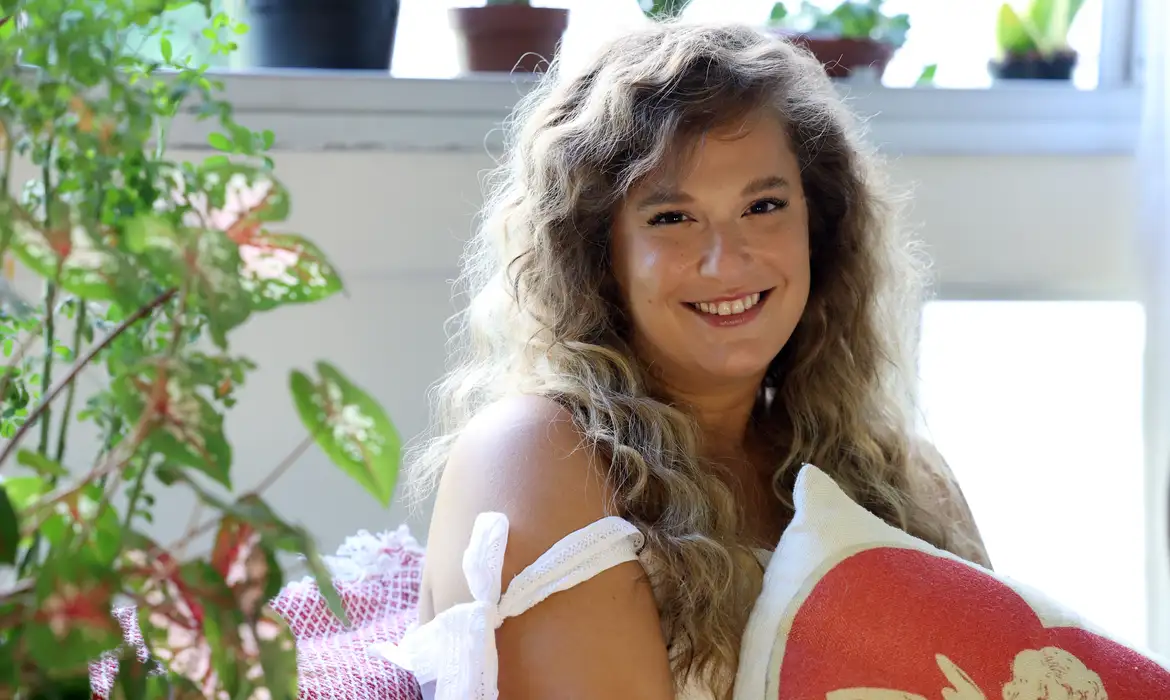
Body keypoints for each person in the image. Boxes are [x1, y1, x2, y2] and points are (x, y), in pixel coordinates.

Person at [379, 19, 991, 700]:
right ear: (596, 254)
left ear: (818, 229)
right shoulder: (538, 451)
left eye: (763, 206)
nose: (726, 261)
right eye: (672, 217)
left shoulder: (908, 483)